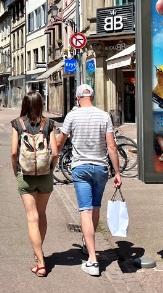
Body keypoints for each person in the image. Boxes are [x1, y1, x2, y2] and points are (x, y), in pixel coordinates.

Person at [55, 84, 122, 277]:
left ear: (77, 98)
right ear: (92, 97)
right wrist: (117, 172)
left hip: (80, 168)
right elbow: (111, 146)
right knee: (95, 207)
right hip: (100, 168)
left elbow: (60, 141)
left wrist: (53, 159)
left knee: (85, 210)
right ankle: (88, 241)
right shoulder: (104, 116)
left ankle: (92, 260)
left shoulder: (72, 116)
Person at [11, 92, 59, 277]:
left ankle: (40, 262)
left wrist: (15, 170)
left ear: (24, 104)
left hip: (26, 175)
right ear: (40, 104)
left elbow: (14, 152)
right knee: (42, 214)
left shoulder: (18, 123)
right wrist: (51, 169)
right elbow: (55, 153)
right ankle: (38, 251)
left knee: (32, 218)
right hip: (45, 175)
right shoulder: (49, 124)